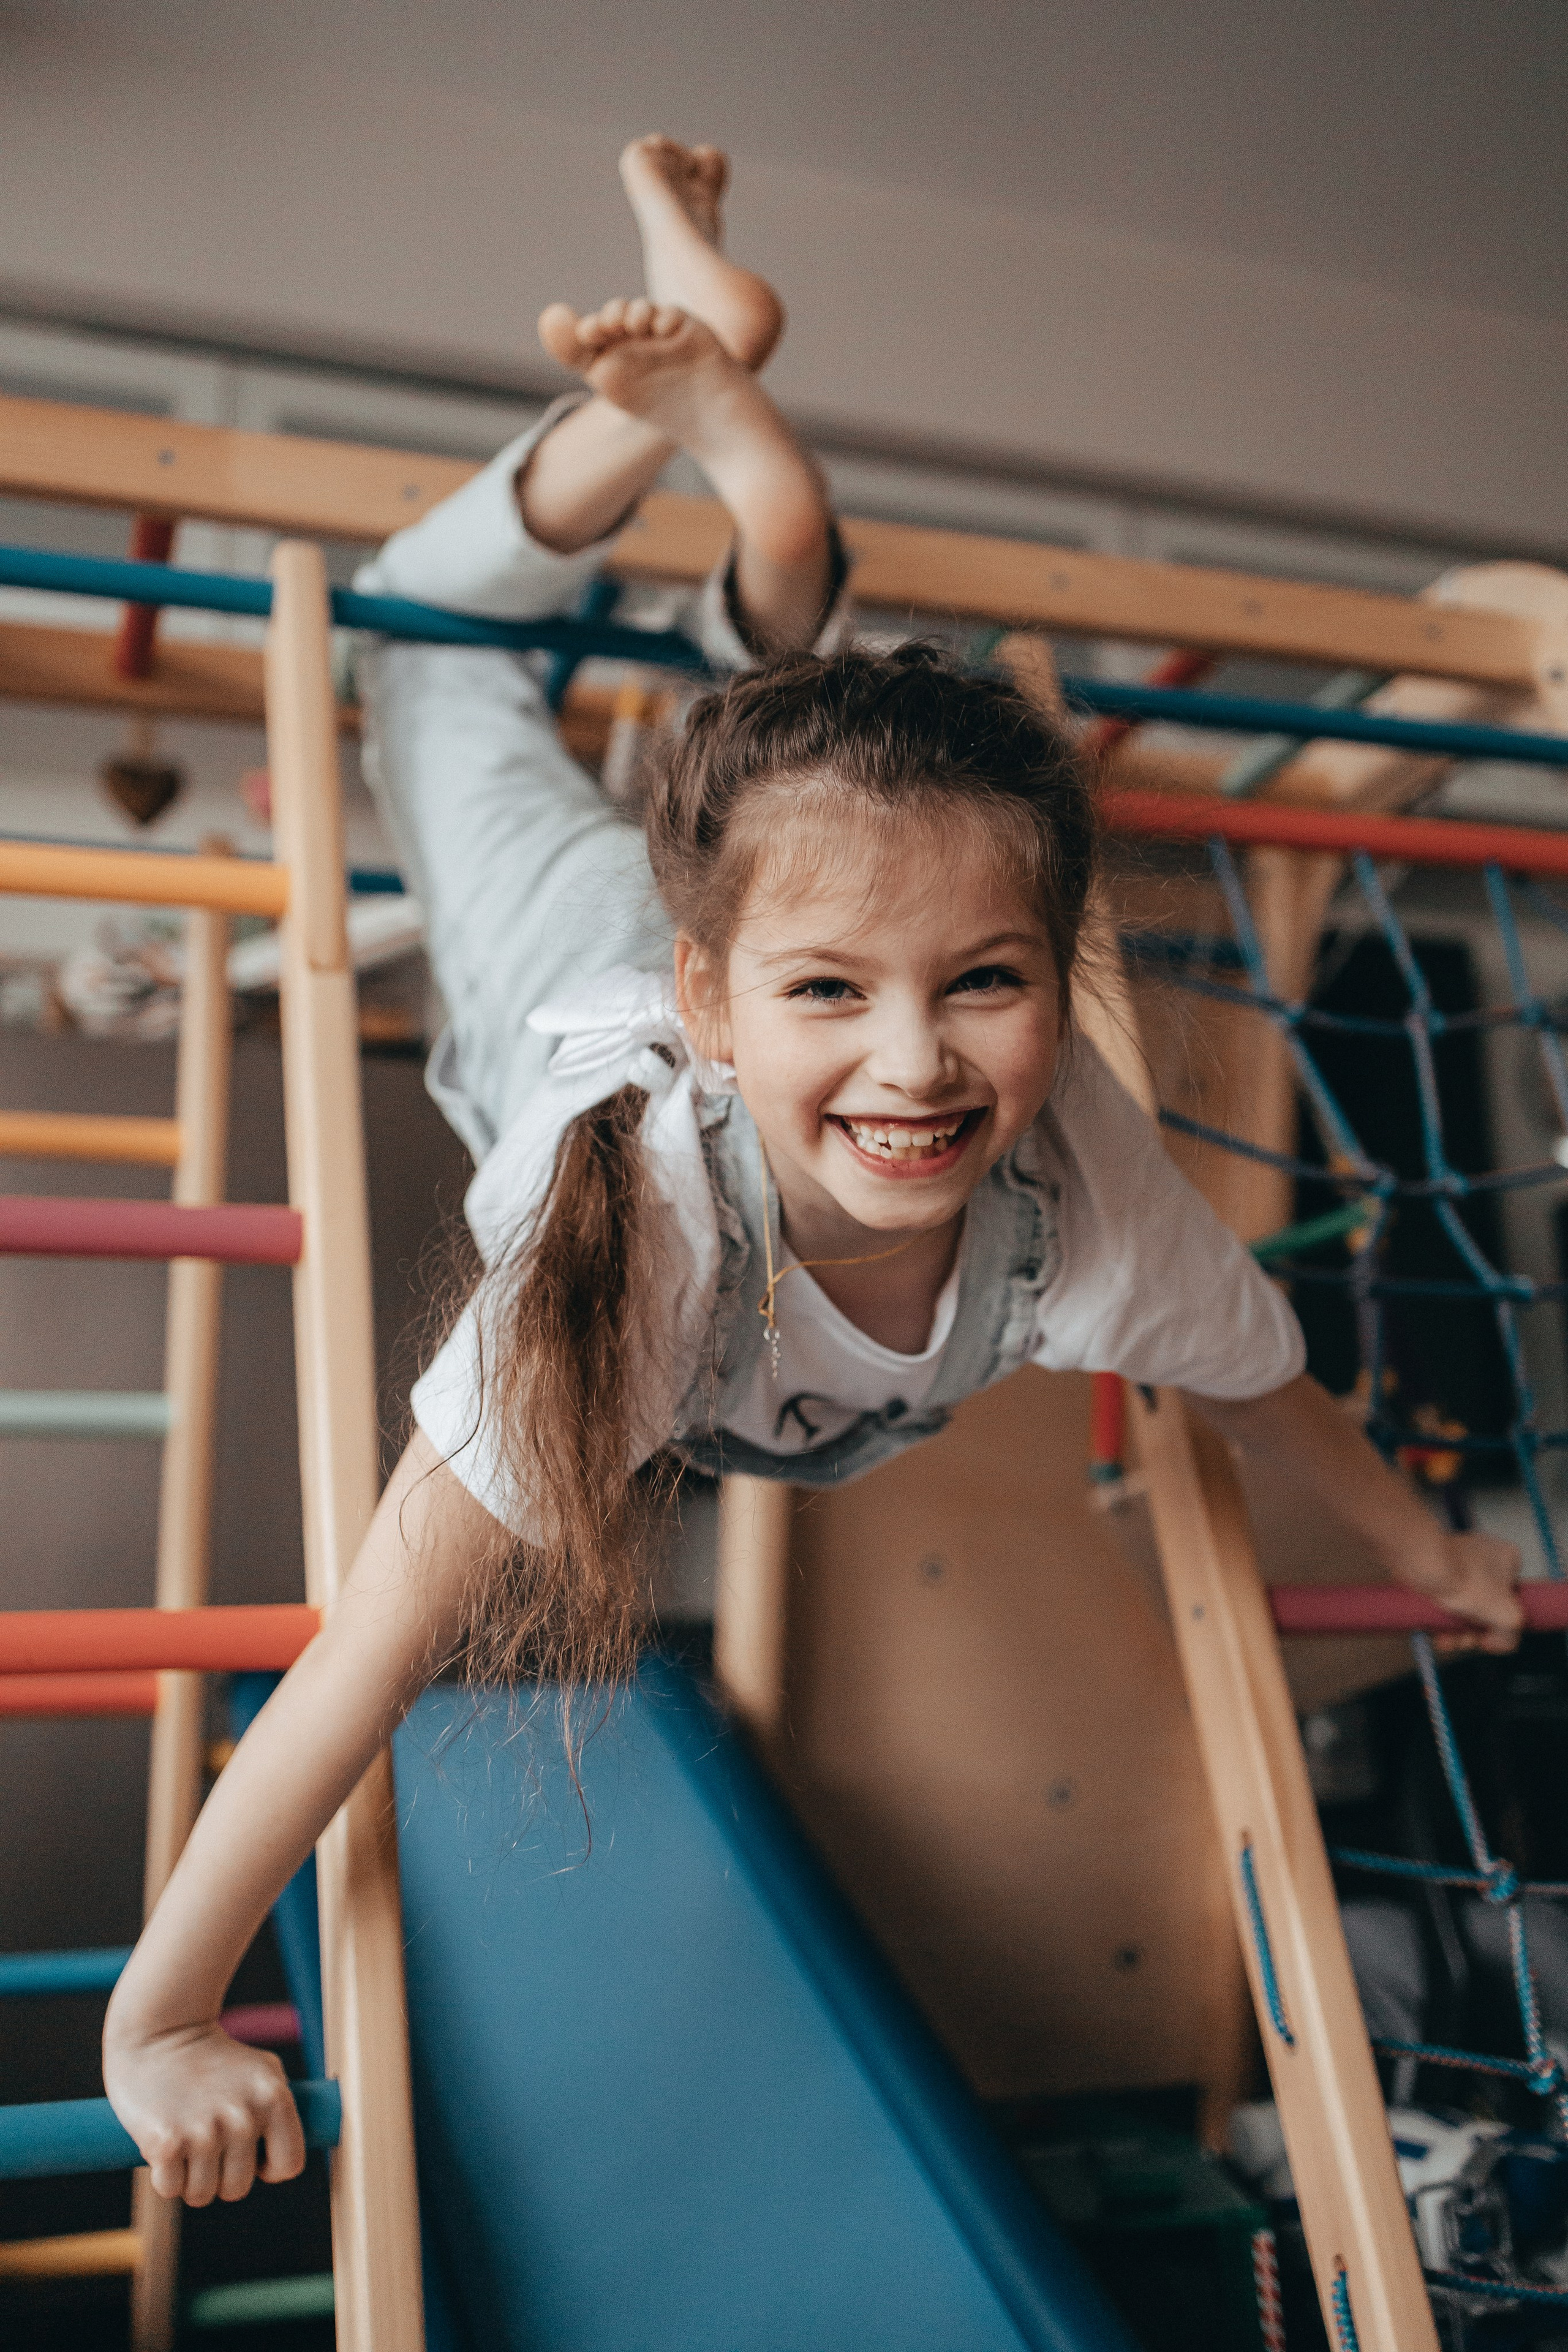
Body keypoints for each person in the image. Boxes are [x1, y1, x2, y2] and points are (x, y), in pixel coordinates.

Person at [102, 135, 1523, 2211]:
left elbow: (1262, 1383)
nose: (921, 1062)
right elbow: (377, 1638)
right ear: (720, 1001)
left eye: (992, 983)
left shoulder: (1086, 1184)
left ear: (1064, 979)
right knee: (416, 646)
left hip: (703, 906)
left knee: (813, 779)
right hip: (550, 973)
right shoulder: (641, 1226)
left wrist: (1422, 1554)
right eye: (833, 992)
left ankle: (763, 510)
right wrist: (163, 2008)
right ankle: (698, 471)